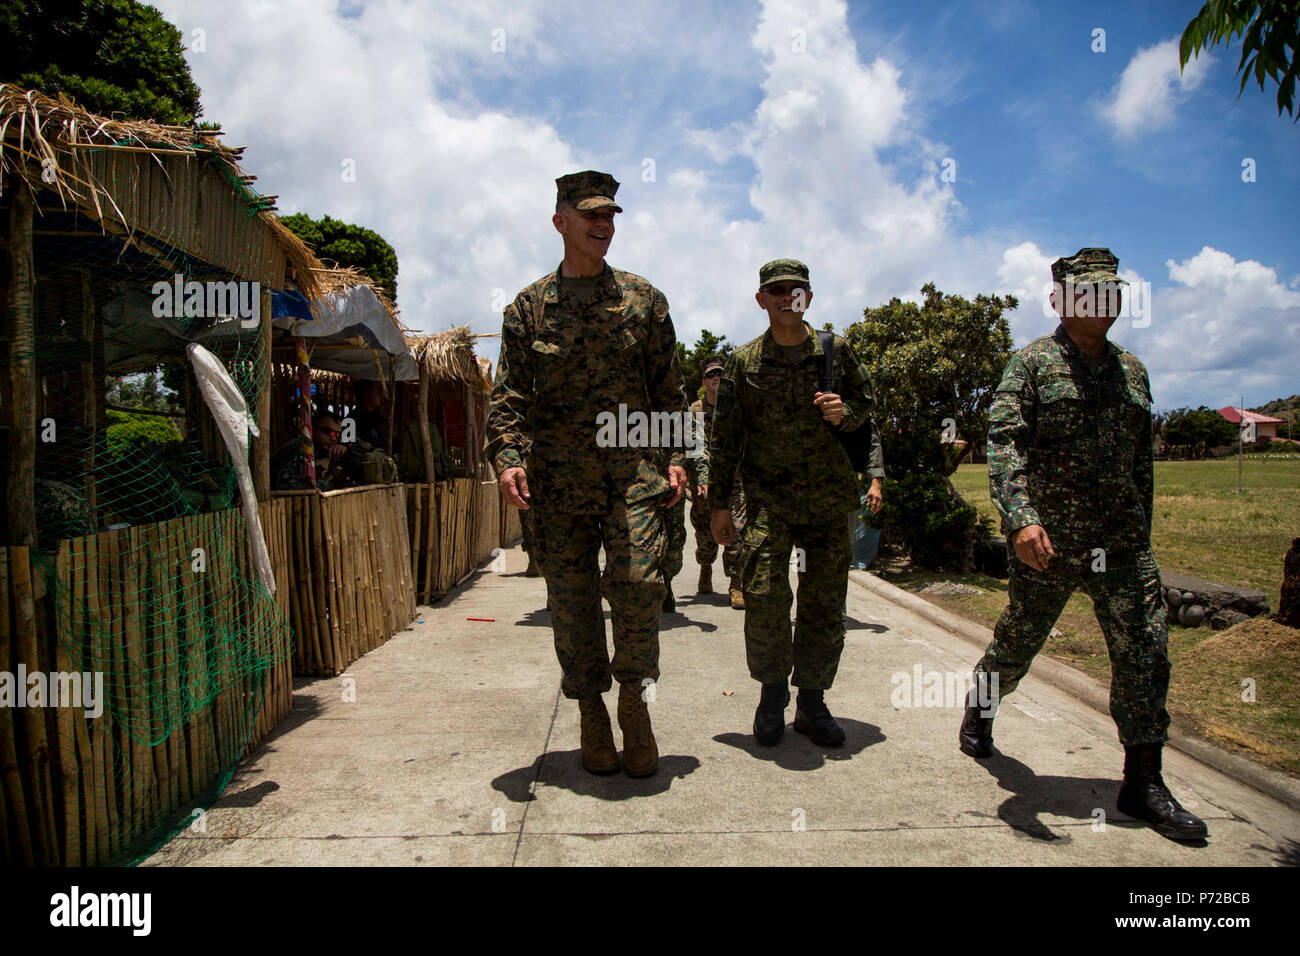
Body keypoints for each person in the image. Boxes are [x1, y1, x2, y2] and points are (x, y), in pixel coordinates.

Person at [960, 247, 1206, 842]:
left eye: (1112, 292)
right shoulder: (1032, 365)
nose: (1104, 302)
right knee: (1018, 640)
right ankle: (982, 704)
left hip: (1121, 546)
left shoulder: (1134, 371)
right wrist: (1019, 519)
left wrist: (1141, 534)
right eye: (1090, 292)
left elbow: (1139, 462)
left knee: (1146, 652)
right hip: (1047, 544)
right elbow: (1005, 443)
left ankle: (1143, 781)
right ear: (1060, 301)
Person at [485, 170, 688, 778]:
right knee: (571, 602)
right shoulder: (527, 309)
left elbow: (669, 391)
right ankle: (592, 713)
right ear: (560, 222)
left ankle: (635, 704)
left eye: (611, 216)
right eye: (591, 215)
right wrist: (507, 458)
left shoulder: (645, 300)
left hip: (633, 476)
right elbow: (510, 397)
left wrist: (677, 455)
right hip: (559, 483)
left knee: (637, 590)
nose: (604, 225)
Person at [709, 259, 884, 748]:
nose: (788, 297)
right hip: (769, 501)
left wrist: (843, 412)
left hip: (829, 501)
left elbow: (868, 407)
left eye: (797, 290)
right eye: (777, 290)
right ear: (761, 299)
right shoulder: (744, 363)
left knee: (824, 604)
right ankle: (770, 697)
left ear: (810, 297)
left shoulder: (836, 350)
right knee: (764, 596)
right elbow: (726, 438)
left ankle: (812, 701)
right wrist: (719, 505)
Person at [272, 412, 396, 491]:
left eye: (338, 434)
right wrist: (329, 485)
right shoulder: (298, 448)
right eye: (329, 432)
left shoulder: (340, 444)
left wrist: (349, 448)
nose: (334, 438)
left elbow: (378, 454)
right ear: (313, 430)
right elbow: (285, 486)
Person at [351, 379, 389, 449]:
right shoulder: (351, 419)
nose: (381, 395)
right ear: (365, 395)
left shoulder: (379, 418)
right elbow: (348, 446)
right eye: (378, 391)